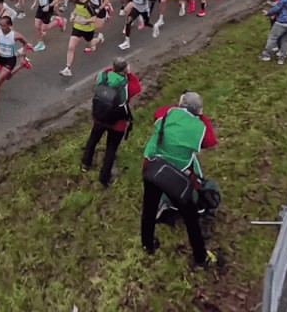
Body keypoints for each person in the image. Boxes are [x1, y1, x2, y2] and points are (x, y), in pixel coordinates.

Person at [140, 91, 220, 268]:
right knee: (191, 219)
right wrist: (201, 116)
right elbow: (211, 141)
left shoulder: (168, 113)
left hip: (154, 167)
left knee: (149, 208)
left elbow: (158, 112)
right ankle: (200, 257)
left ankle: (147, 243)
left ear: (181, 103)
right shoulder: (198, 127)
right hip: (176, 176)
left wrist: (179, 107)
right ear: (198, 110)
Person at [80, 56, 140, 187]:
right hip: (117, 123)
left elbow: (99, 78)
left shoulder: (103, 76)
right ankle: (104, 178)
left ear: (112, 68)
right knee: (111, 149)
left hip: (100, 117)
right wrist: (129, 74)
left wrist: (113, 69)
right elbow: (137, 88)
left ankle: (86, 163)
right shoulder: (127, 84)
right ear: (125, 69)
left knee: (93, 139)